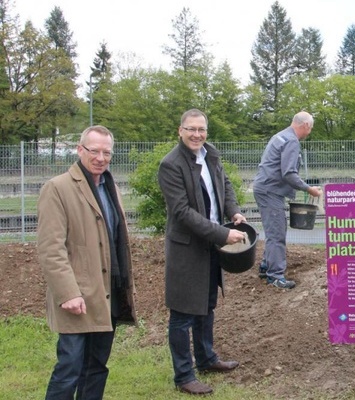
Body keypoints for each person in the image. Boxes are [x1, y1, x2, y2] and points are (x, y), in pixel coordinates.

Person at [37, 125, 137, 399]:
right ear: (80, 150)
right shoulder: (57, 189)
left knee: (96, 367)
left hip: (107, 292)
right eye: (94, 151)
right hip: (77, 296)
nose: (101, 158)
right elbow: (50, 248)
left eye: (107, 152)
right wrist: (68, 293)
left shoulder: (110, 186)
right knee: (69, 367)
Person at [158, 109, 248, 396]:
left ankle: (207, 359)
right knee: (183, 314)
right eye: (191, 129)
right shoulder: (170, 165)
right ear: (180, 130)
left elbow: (226, 185)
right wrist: (223, 234)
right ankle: (184, 375)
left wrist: (233, 211)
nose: (197, 134)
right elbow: (182, 212)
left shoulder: (210, 154)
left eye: (201, 129)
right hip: (187, 249)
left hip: (211, 245)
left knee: (207, 306)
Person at [253, 111, 322, 289]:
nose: (310, 132)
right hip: (270, 191)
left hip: (265, 188)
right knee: (276, 232)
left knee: (274, 228)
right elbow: (289, 173)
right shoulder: (291, 141)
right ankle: (275, 276)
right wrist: (309, 189)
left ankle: (266, 265)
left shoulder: (280, 136)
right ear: (305, 125)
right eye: (311, 128)